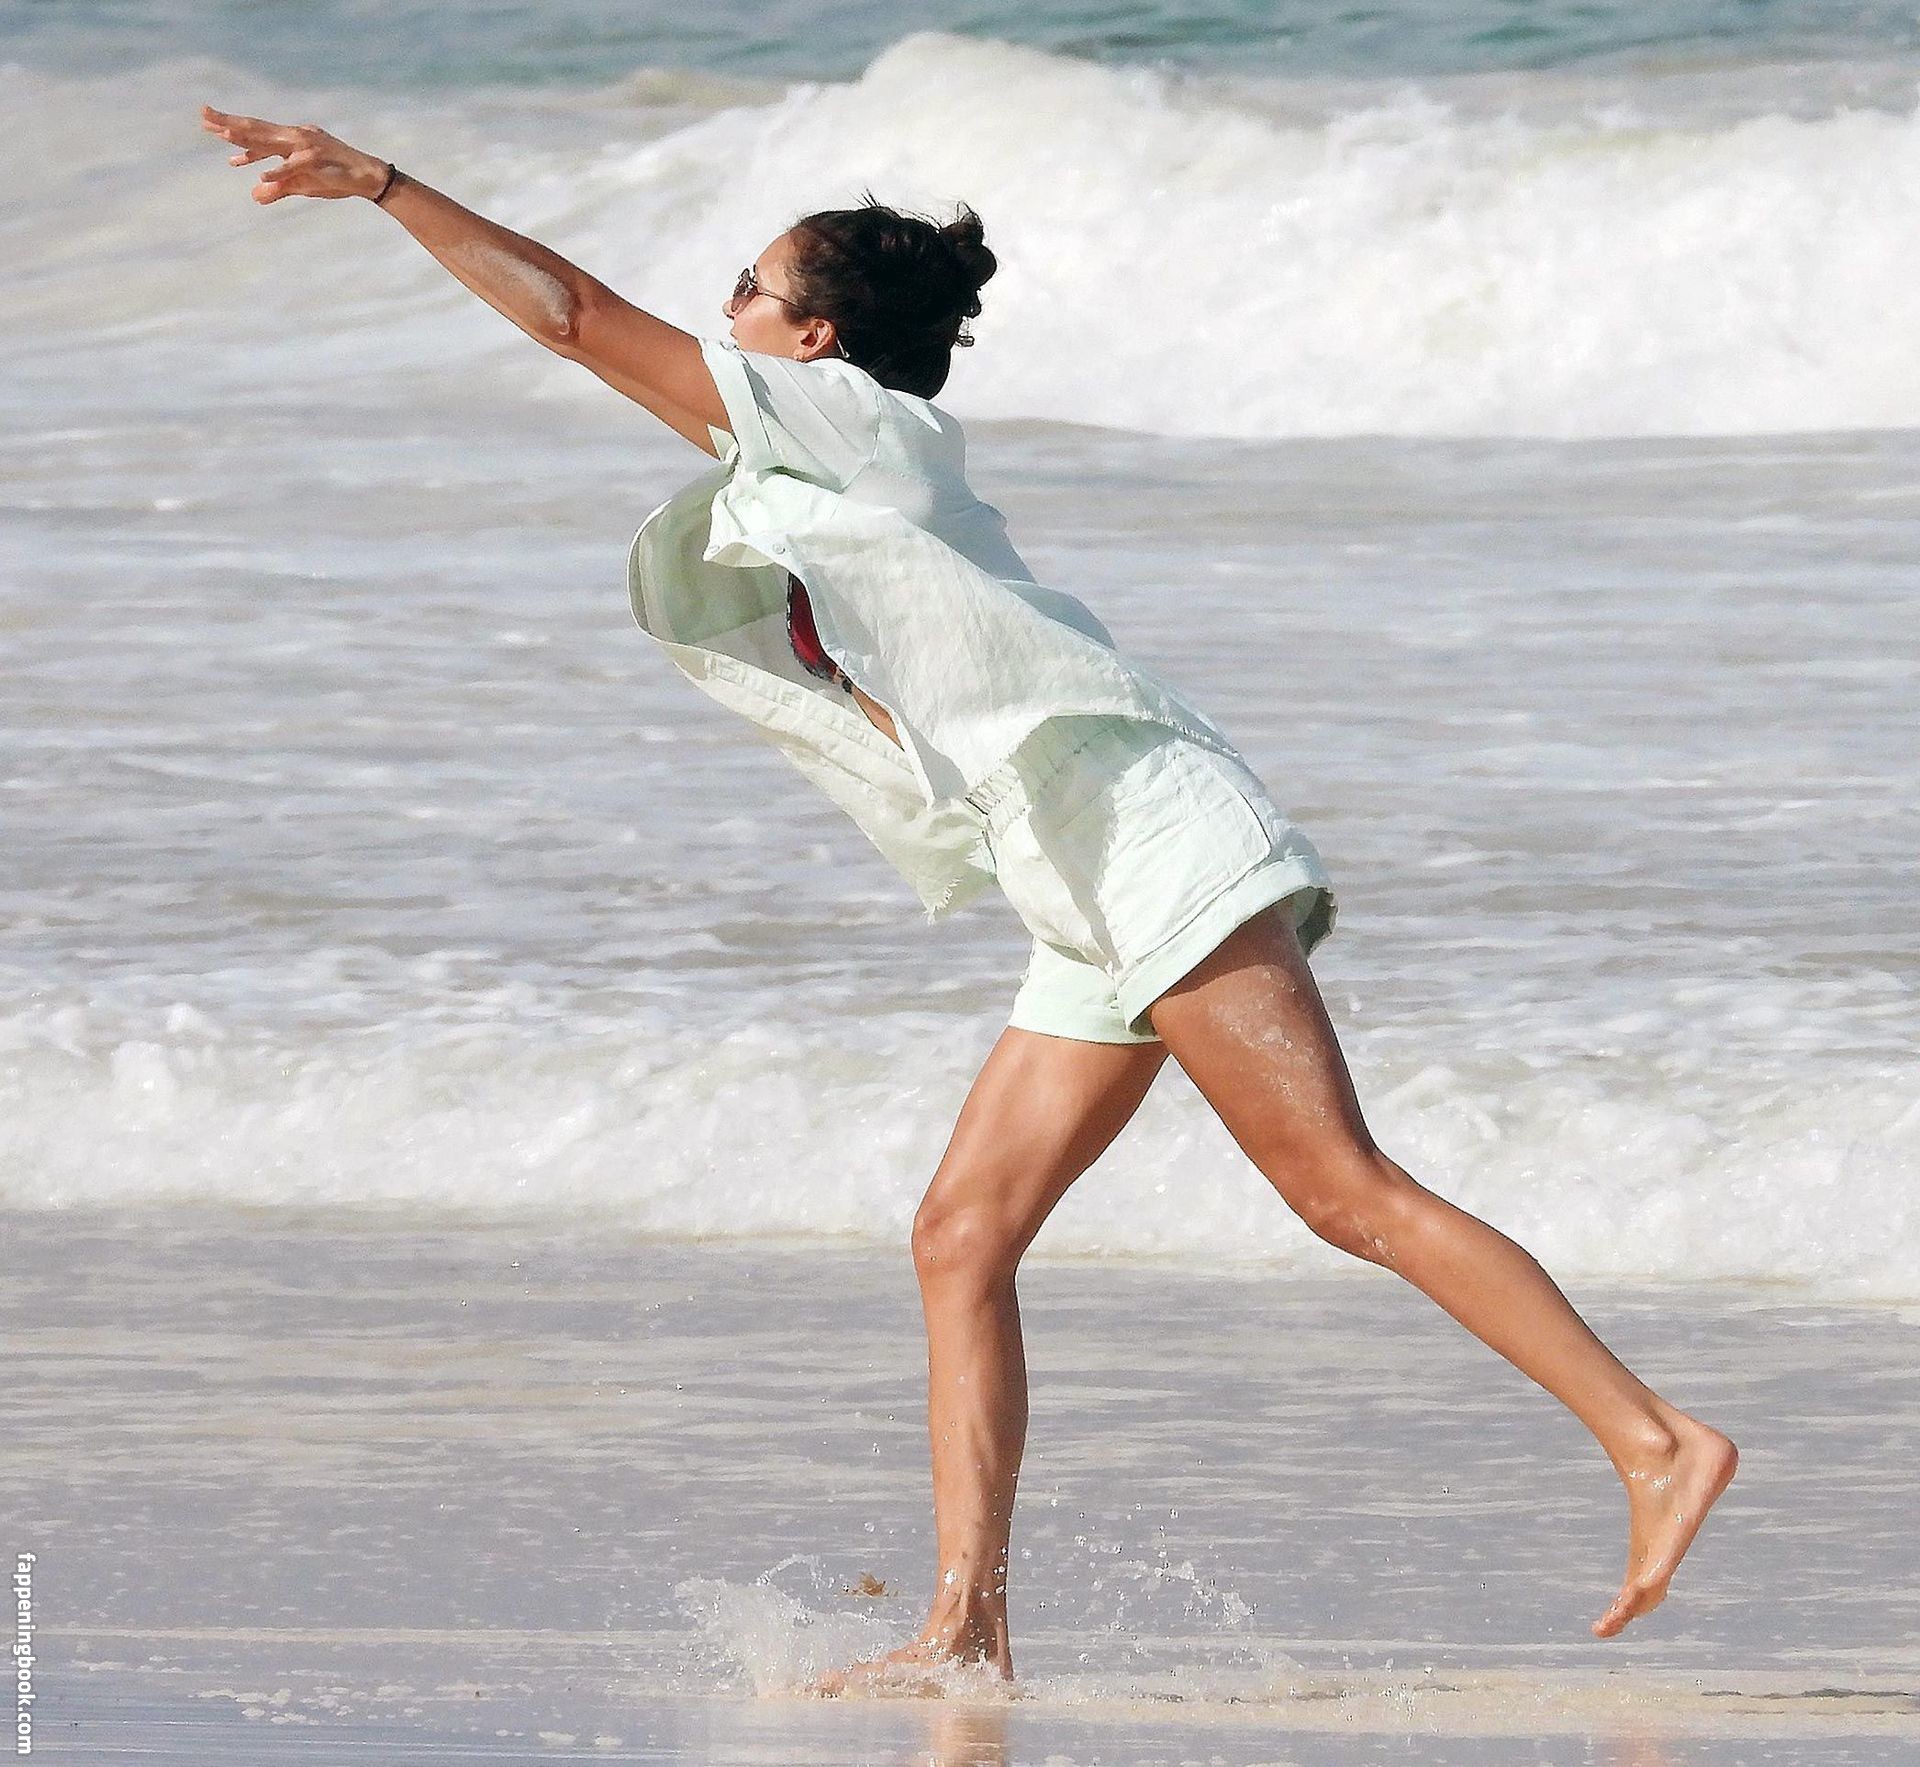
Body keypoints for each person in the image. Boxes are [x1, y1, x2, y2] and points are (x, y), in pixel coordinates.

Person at [199, 105, 1740, 1696]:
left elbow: (576, 319)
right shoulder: (812, 457)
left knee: (1339, 1191)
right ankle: (966, 1628)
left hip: (1147, 833)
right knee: (960, 1236)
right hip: (1070, 871)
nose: (723, 309)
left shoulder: (851, 424)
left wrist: (384, 187)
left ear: (815, 338)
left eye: (747, 287)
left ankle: (1655, 1438)